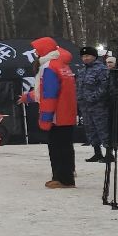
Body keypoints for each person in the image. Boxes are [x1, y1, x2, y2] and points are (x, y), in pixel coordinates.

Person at [29, 37, 77, 188]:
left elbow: (49, 94)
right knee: (66, 146)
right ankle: (66, 176)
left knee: (57, 147)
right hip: (67, 112)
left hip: (57, 114)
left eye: (37, 49)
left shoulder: (48, 67)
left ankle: (62, 178)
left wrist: (46, 118)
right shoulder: (62, 65)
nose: (35, 52)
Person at [74, 45, 113, 163]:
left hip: (99, 105)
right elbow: (79, 87)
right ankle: (97, 153)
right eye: (83, 56)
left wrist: (94, 97)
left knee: (103, 129)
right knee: (90, 129)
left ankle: (109, 153)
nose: (85, 58)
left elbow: (105, 86)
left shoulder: (102, 69)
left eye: (88, 56)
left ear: (94, 57)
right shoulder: (82, 71)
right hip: (85, 106)